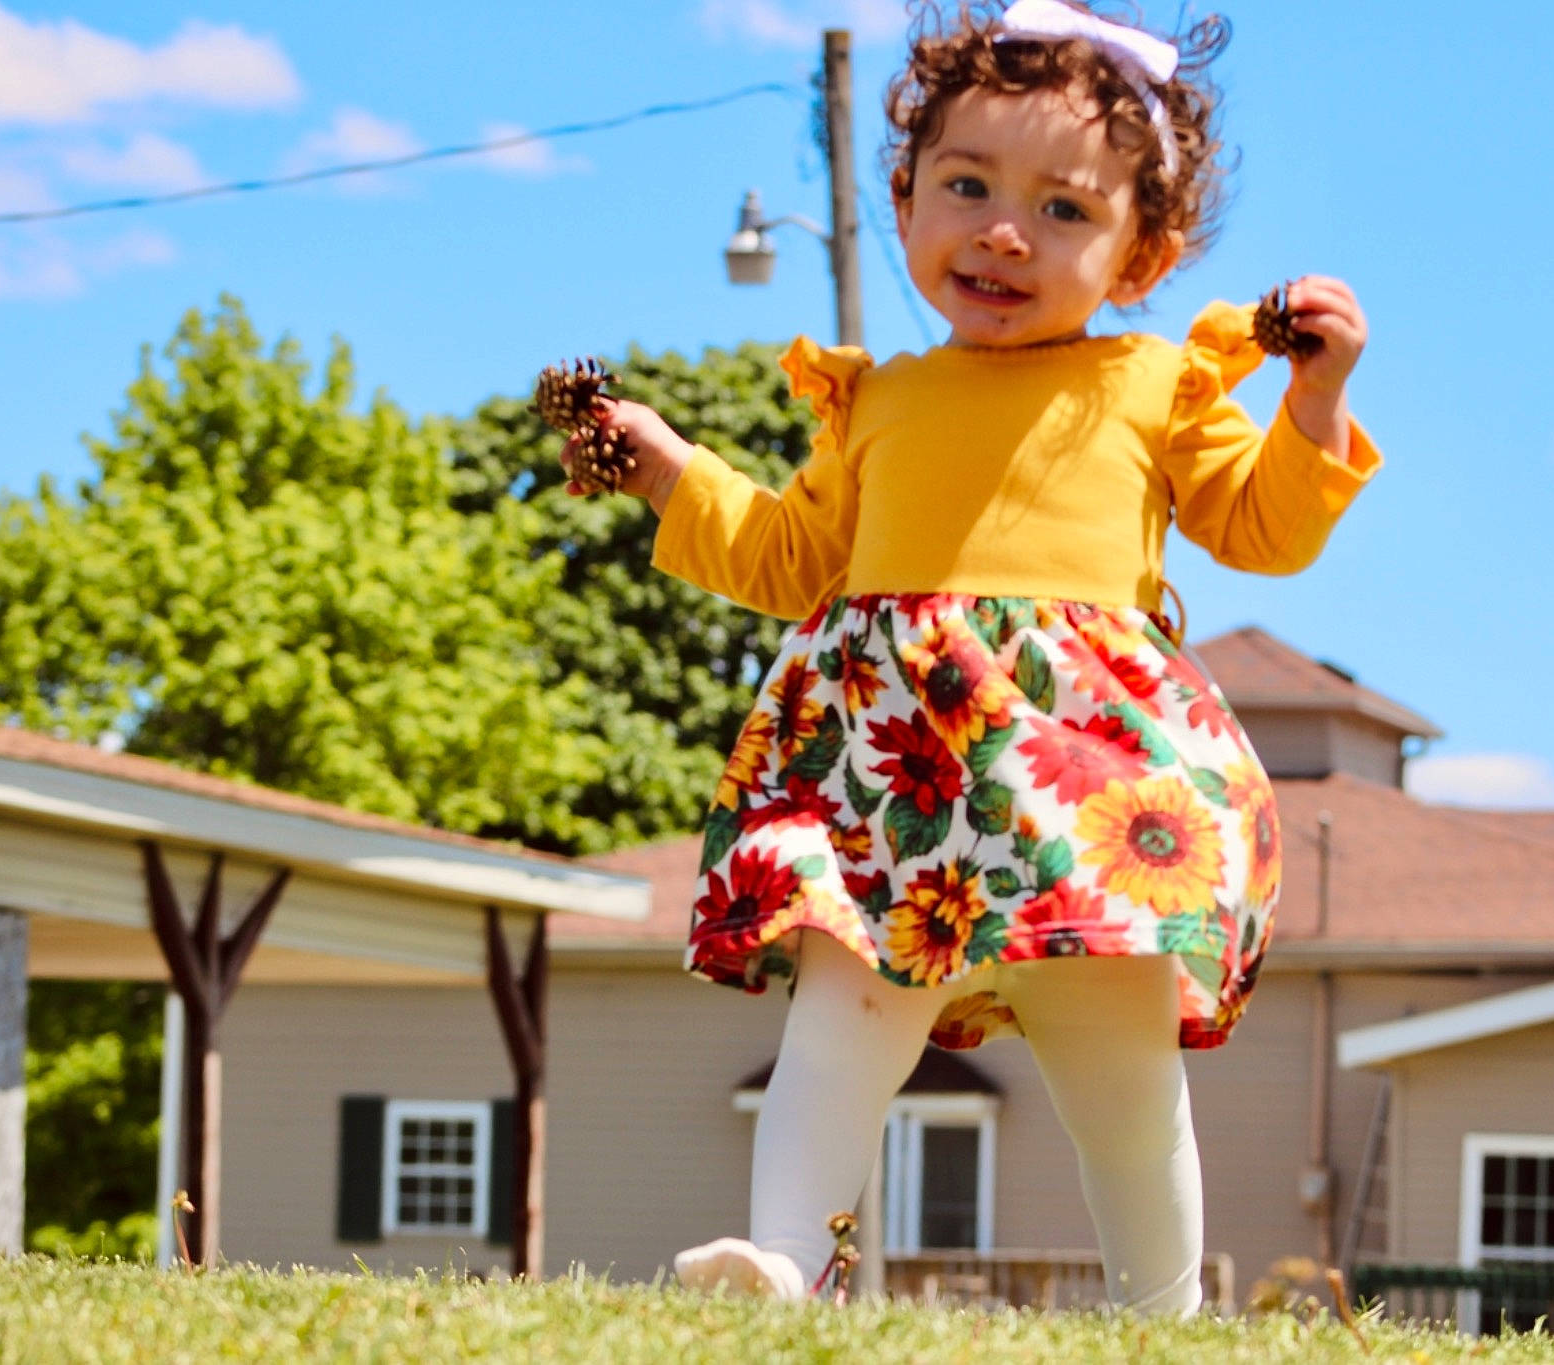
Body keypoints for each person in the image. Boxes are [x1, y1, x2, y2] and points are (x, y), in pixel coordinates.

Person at [566, 0, 1379, 1316]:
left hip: (1080, 788)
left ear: (1143, 253)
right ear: (901, 202)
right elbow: (787, 557)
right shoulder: (877, 401)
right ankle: (783, 1269)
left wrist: (1315, 400)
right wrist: (666, 466)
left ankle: (1163, 1314)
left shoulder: (1152, 385)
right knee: (834, 1026)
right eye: (966, 185)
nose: (1004, 230)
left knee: (1117, 1072)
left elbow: (1262, 527)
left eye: (1065, 210)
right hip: (894, 783)